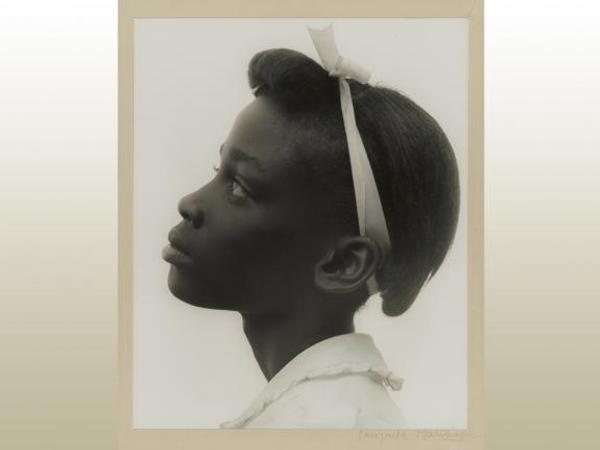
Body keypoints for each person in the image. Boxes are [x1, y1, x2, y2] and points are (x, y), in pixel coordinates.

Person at [161, 35, 460, 428]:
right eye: (220, 172)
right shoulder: (324, 411)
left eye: (240, 187)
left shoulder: (324, 422)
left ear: (343, 263)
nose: (190, 202)